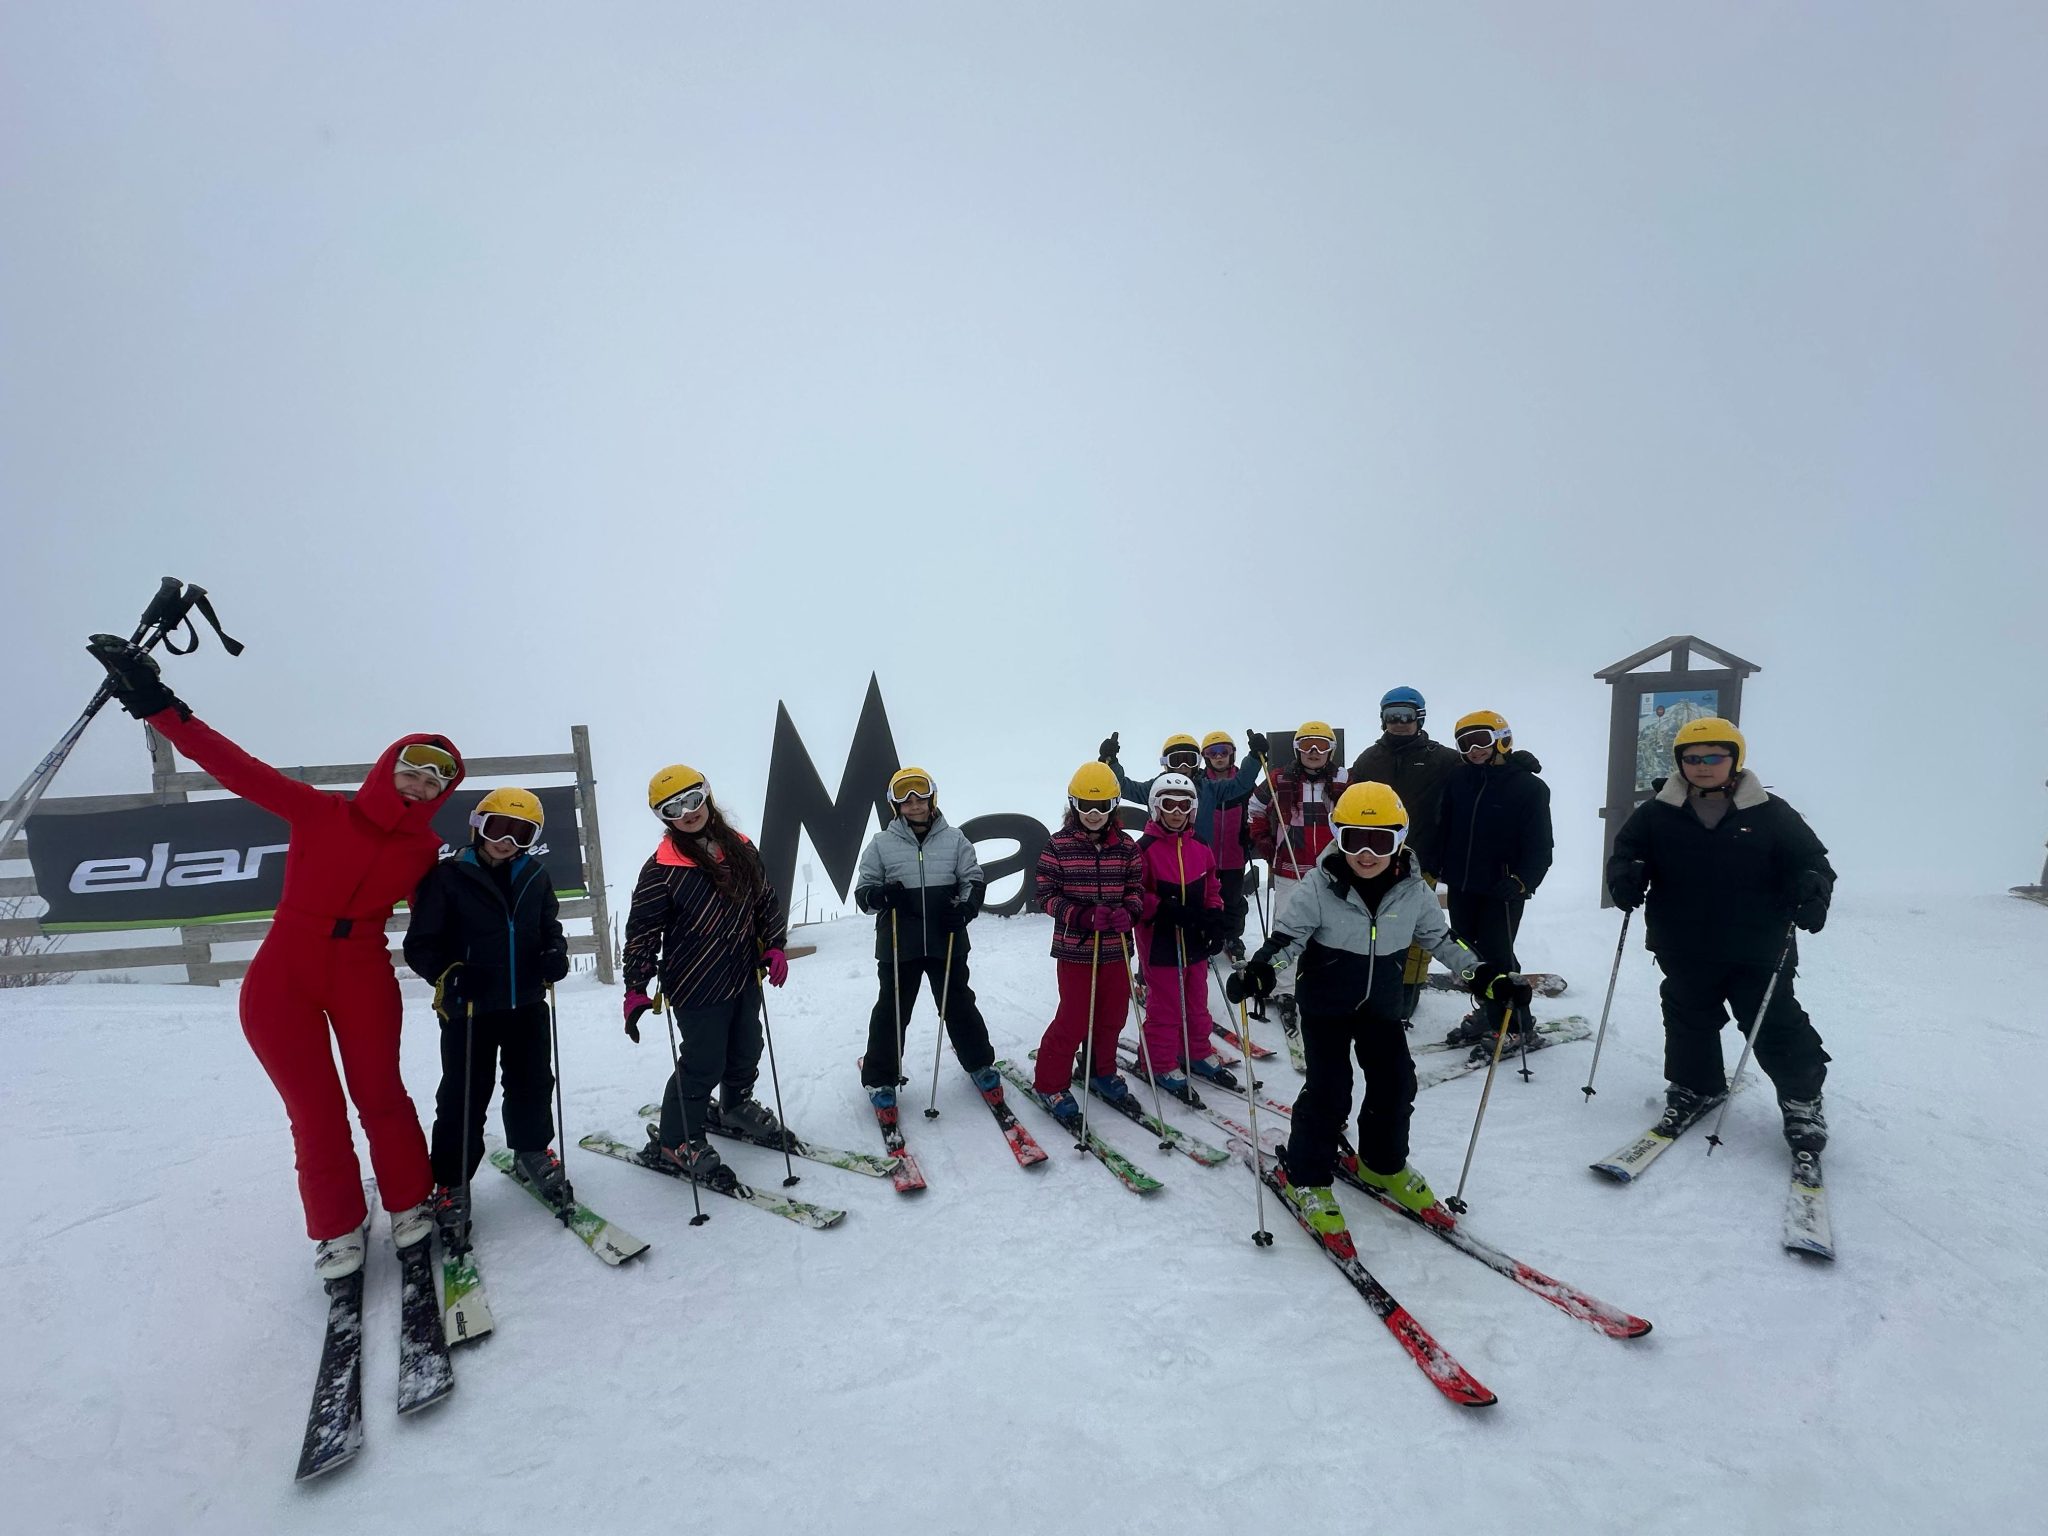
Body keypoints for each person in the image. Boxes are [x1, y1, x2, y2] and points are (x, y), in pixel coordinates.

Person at [84, 635, 458, 1280]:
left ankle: (408, 1200)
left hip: (363, 972)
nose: (421, 785)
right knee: (314, 1110)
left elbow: (446, 913)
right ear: (388, 767)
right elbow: (236, 767)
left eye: (435, 781)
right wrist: (157, 704)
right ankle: (337, 1227)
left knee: (381, 1094)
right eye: (413, 770)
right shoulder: (320, 812)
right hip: (285, 972)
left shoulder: (425, 851)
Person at [1227, 783, 1526, 1235]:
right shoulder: (1319, 885)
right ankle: (1306, 1176)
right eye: (1354, 840)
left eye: (1380, 841)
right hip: (1326, 1005)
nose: (1366, 854)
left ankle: (1382, 1163)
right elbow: (1287, 939)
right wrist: (1261, 972)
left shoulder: (1413, 890)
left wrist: (1486, 977)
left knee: (1395, 1083)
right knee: (1330, 1092)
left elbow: (1442, 940)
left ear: (1399, 840)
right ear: (1338, 837)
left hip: (1381, 1005)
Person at [1607, 718, 1834, 1151]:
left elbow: (1812, 861)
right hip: (1682, 940)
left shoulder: (1770, 812)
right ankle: (1696, 1086)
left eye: (1714, 756)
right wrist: (1625, 877)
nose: (1702, 765)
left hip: (1757, 943)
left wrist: (1812, 889)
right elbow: (1626, 853)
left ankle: (1802, 1100)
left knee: (1773, 1022)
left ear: (1735, 759)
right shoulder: (1657, 812)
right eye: (1692, 758)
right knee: (1688, 1017)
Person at [403, 787, 572, 1249]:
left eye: (522, 834)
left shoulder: (536, 875)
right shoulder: (447, 877)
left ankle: (532, 1150)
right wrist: (452, 973)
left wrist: (554, 953)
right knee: (463, 1094)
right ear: (479, 825)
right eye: (499, 829)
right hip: (470, 1009)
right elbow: (421, 945)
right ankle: (452, 1180)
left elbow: (549, 927)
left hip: (526, 1003)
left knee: (533, 1082)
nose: (507, 841)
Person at [621, 765, 789, 1185]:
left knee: (747, 1047)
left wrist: (773, 945)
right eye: (673, 808)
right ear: (663, 817)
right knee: (703, 1061)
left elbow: (765, 900)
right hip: (696, 982)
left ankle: (735, 1105)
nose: (687, 812)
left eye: (693, 799)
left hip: (743, 973)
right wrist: (636, 986)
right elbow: (643, 932)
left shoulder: (741, 848)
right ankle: (677, 1139)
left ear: (707, 796)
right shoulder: (661, 868)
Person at [852, 767, 998, 1119]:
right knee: (892, 1010)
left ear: (932, 798)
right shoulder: (881, 844)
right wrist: (880, 895)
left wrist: (965, 910)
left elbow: (973, 880)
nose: (914, 804)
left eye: (920, 796)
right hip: (899, 943)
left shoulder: (955, 840)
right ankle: (880, 1079)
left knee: (958, 1003)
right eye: (905, 799)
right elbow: (864, 892)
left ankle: (980, 1063)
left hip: (946, 939)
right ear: (895, 805)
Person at [1030, 763, 1145, 1129]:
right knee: (1075, 1017)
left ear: (1113, 806)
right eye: (1085, 806)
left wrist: (1129, 911)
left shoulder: (1126, 847)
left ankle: (1100, 1071)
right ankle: (1050, 1083)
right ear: (1073, 805)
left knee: (1113, 1016)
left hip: (1116, 948)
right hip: (1075, 950)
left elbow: (1137, 889)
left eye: (1102, 806)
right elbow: (1045, 895)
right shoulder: (1058, 846)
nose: (1093, 814)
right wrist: (1080, 915)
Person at [1434, 711, 1553, 1050]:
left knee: (1498, 955)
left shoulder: (1529, 787)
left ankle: (1518, 1024)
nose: (1474, 750)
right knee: (1470, 956)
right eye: (1465, 744)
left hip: (1503, 887)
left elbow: (1541, 845)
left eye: (1481, 741)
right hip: (1463, 884)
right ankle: (1489, 1013)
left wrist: (1522, 881)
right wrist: (1437, 861)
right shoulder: (1459, 779)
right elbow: (1445, 826)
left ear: (1501, 739)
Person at [1346, 687, 1465, 1022]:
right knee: (1372, 924)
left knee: (1417, 928)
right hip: (1374, 858)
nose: (1399, 722)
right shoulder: (1370, 759)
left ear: (1420, 718)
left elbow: (1477, 774)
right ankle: (1372, 982)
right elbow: (1348, 797)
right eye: (1391, 716)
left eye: (1406, 715)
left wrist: (1511, 763)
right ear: (1382, 719)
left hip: (1421, 858)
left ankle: (1408, 990)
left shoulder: (1443, 759)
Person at [1098, 730, 1265, 961]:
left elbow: (1240, 783)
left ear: (1198, 762)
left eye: (1189, 759)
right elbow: (1125, 787)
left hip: (1196, 860)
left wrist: (1254, 758)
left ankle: (1200, 944)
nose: (1184, 766)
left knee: (1199, 903)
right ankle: (1152, 965)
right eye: (1177, 760)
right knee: (1165, 908)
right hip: (1163, 863)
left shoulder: (1208, 788)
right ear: (1166, 764)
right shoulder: (1155, 788)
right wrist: (1111, 763)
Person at [1131, 774, 1233, 1095]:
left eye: (1184, 805)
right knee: (1166, 1006)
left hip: (1194, 937)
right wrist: (1161, 907)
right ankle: (1158, 1061)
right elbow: (1133, 893)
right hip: (1160, 942)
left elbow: (1212, 886)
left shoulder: (1199, 845)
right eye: (1169, 805)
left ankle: (1196, 1050)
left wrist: (1214, 917)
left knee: (1196, 1002)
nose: (1177, 812)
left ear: (1193, 809)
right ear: (1155, 807)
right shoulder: (1144, 848)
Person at [1245, 720, 1348, 1028]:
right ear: (1297, 749)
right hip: (1290, 867)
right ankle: (1285, 989)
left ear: (1331, 750)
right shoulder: (1279, 778)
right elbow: (1254, 808)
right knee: (1287, 931)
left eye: (1321, 746)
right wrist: (1263, 839)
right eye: (1306, 745)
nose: (1313, 752)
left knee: (1331, 930)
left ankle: (1325, 982)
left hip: (1330, 869)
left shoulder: (1343, 779)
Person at [1196, 731, 1266, 961]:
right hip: (1205, 856)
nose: (1219, 757)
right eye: (1212, 752)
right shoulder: (1201, 784)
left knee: (1232, 899)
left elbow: (1256, 810)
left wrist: (1251, 832)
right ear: (1205, 757)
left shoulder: (1244, 783)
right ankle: (1202, 935)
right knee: (1204, 898)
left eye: (1224, 751)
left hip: (1234, 853)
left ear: (1232, 754)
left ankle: (1232, 937)